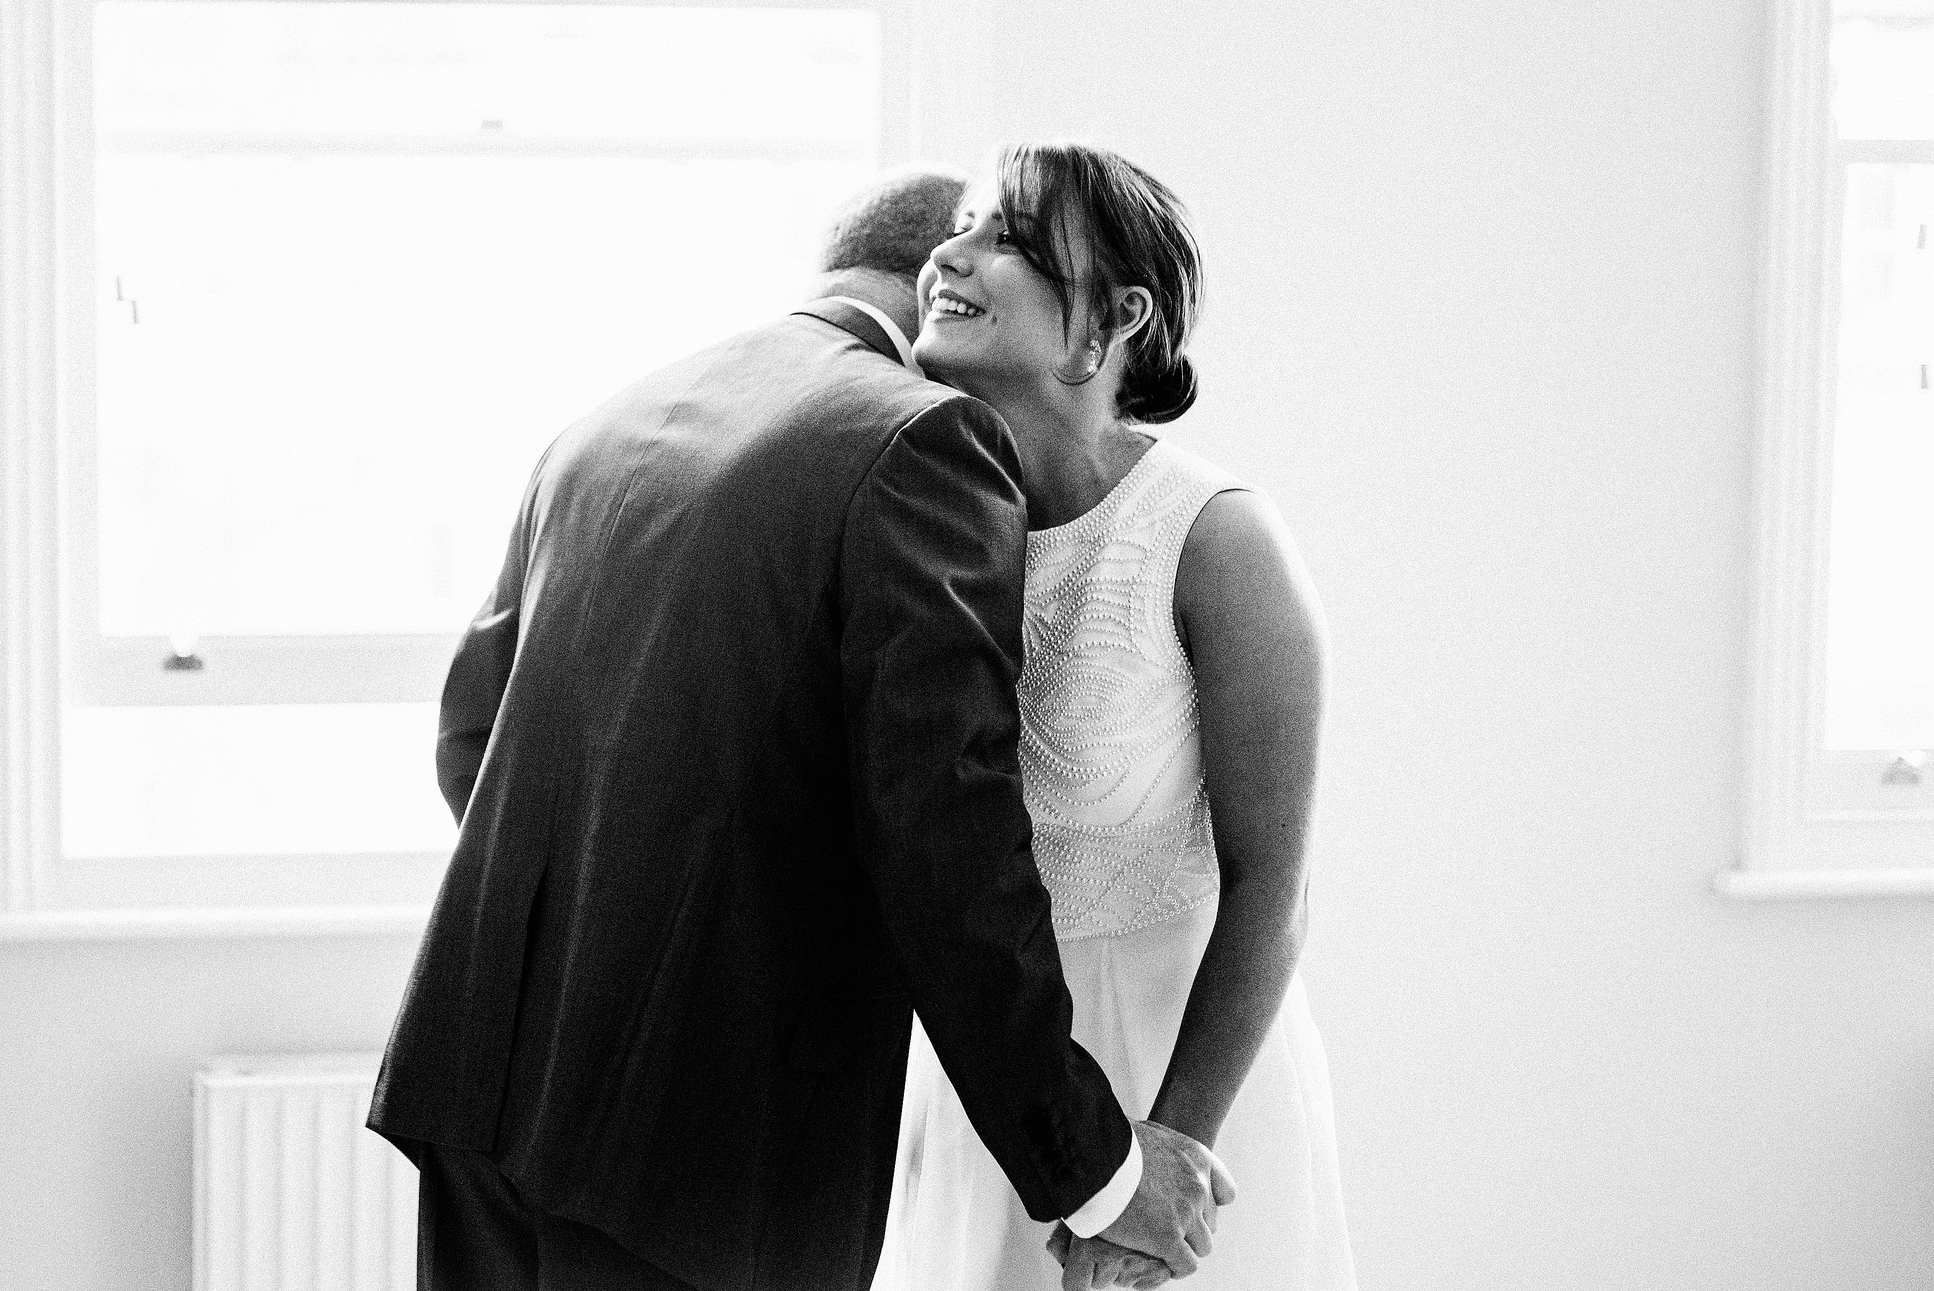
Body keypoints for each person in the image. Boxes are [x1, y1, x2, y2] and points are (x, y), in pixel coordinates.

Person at [368, 166, 1233, 1291]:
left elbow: (469, 740)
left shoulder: (612, 417)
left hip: (479, 1086)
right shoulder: (923, 439)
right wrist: (1096, 1172)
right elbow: (944, 841)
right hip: (696, 1153)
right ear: (928, 272)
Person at [881, 143, 1355, 1291]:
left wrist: (1168, 1152)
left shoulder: (1217, 540)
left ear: (1112, 318)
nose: (948, 254)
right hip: (988, 1077)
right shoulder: (924, 525)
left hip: (1179, 1074)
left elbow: (1272, 889)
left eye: (1004, 237)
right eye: (960, 228)